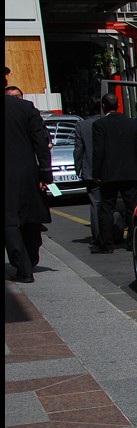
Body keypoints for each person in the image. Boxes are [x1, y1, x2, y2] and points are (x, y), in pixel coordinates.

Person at [5, 66, 53, 283]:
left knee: (9, 221)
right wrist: (45, 173)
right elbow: (41, 141)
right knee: (30, 217)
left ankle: (23, 267)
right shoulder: (25, 107)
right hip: (27, 171)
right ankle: (31, 258)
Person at [90, 93, 137, 254]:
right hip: (129, 171)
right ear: (118, 105)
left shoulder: (100, 125)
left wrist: (96, 173)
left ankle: (106, 244)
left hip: (109, 172)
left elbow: (98, 151)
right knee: (131, 207)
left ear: (103, 106)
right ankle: (133, 242)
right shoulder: (131, 123)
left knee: (107, 207)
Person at [74, 94, 112, 247]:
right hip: (110, 169)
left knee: (95, 204)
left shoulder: (82, 125)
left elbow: (78, 149)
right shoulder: (108, 122)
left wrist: (78, 168)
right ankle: (112, 233)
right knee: (110, 203)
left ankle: (98, 236)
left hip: (90, 169)